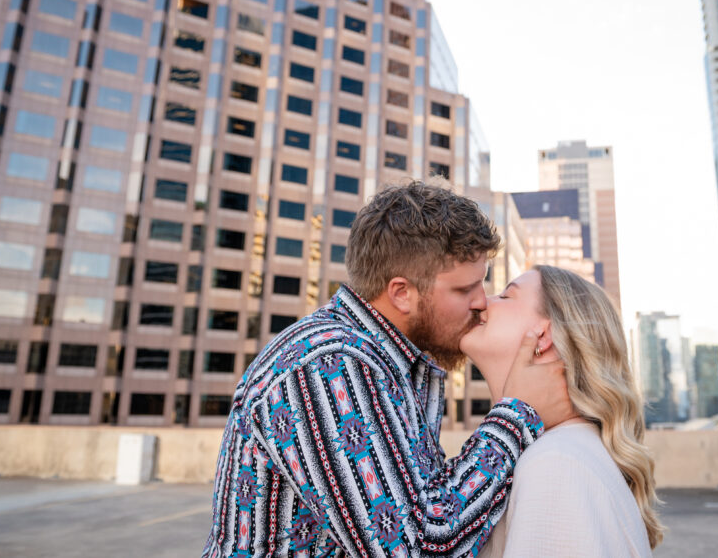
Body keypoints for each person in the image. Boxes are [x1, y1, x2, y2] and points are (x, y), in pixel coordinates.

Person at [202, 181, 573, 557]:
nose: (482, 302)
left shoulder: (389, 365)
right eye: (464, 290)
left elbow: (426, 508)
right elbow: (413, 550)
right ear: (401, 293)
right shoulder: (329, 365)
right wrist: (516, 414)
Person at [464, 266, 663, 558]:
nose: (482, 301)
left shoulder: (556, 463)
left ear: (542, 335)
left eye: (506, 296)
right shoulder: (564, 452)